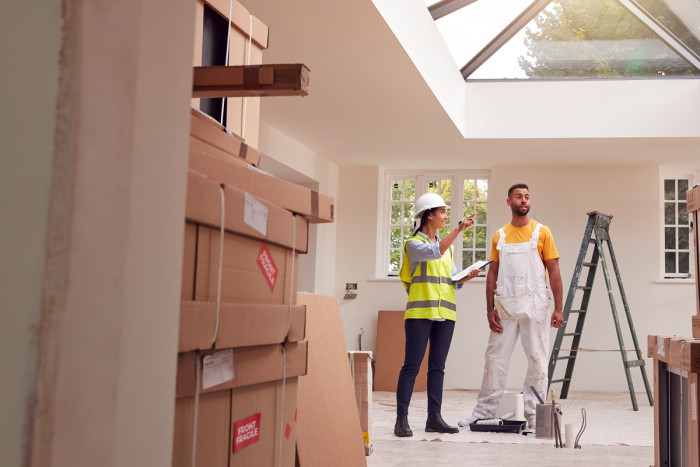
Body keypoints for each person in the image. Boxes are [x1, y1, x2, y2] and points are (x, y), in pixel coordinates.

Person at [459, 183, 563, 430]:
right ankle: (482, 412)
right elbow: (492, 274)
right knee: (494, 359)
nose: (524, 200)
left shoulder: (542, 232)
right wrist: (489, 310)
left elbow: (554, 271)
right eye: (519, 197)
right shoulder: (500, 235)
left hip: (535, 307)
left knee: (538, 360)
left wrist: (558, 308)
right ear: (509, 202)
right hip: (505, 307)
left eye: (527, 196)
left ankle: (536, 415)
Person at [394, 192, 480, 437]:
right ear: (429, 215)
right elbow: (434, 252)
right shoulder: (413, 244)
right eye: (442, 212)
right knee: (411, 367)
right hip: (420, 312)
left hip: (446, 314)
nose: (445, 216)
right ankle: (401, 420)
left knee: (437, 368)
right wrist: (459, 229)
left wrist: (468, 275)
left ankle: (434, 418)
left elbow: (452, 280)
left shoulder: (447, 249)